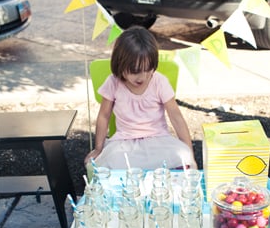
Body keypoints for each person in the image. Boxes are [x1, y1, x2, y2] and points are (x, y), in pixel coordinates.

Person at [84, 26, 196, 170]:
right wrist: (98, 148)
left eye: (148, 69)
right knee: (110, 162)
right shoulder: (113, 82)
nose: (142, 77)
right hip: (124, 142)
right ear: (120, 64)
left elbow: (176, 117)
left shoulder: (159, 82)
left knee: (183, 156)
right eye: (135, 71)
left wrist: (189, 153)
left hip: (158, 140)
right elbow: (104, 116)